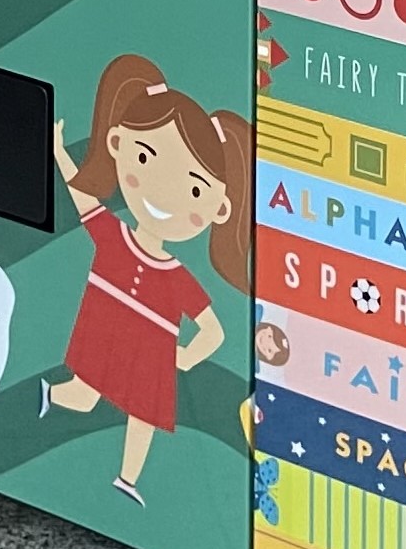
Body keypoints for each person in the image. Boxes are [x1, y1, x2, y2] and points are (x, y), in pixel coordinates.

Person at [42, 54, 250, 504]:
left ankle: (127, 479)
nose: (163, 193)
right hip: (110, 336)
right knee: (86, 393)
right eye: (145, 156)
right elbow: (83, 201)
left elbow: (214, 329)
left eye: (195, 189)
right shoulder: (116, 239)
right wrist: (58, 152)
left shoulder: (177, 276)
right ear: (116, 143)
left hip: (149, 355)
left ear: (220, 208)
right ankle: (48, 398)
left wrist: (187, 358)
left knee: (141, 416)